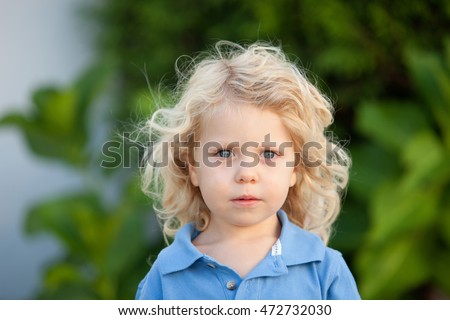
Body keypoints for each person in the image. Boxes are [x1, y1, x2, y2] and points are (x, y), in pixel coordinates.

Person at [136, 41, 360, 299]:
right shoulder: (166, 275)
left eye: (269, 154)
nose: (246, 173)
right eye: (223, 153)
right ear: (193, 167)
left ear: (295, 167)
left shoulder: (324, 270)